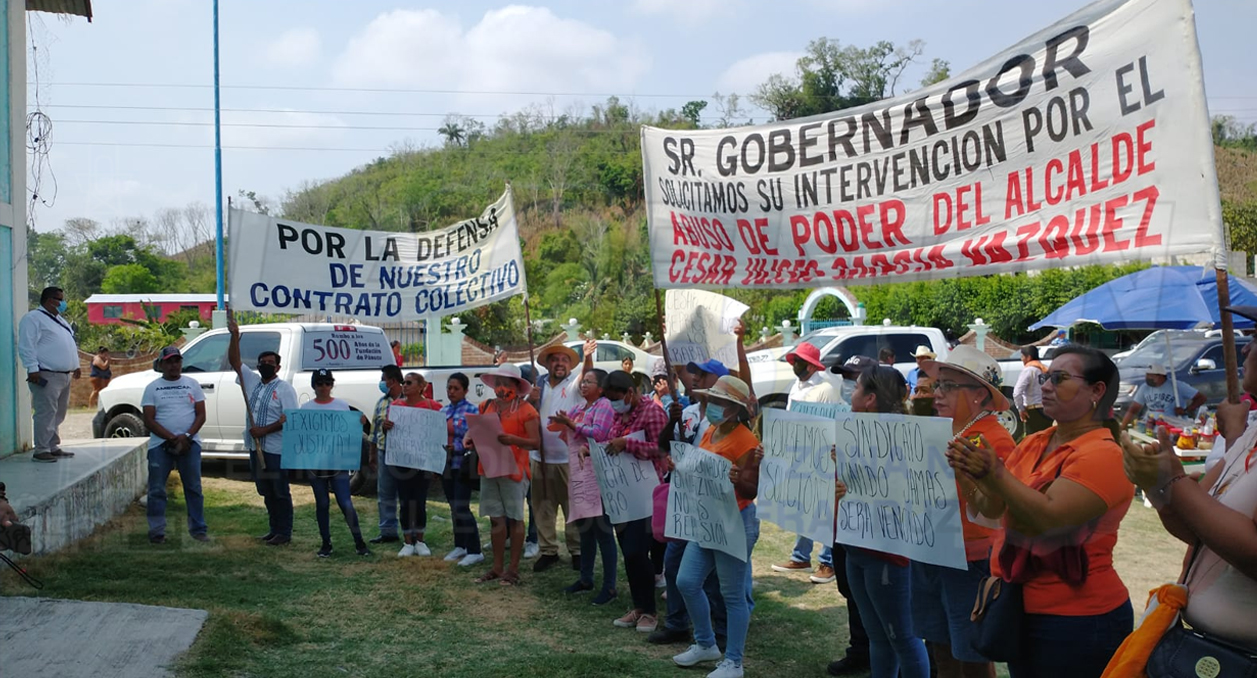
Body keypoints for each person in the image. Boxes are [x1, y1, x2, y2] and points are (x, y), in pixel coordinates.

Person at [948, 346, 1134, 678]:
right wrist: (968, 474)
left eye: (1058, 379)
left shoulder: (1104, 454)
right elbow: (994, 510)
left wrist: (996, 474)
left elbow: (1050, 518)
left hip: (1079, 619)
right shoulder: (1036, 442)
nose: (1044, 386)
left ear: (1097, 391)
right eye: (1046, 377)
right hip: (1023, 606)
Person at [1115, 304, 1257, 671]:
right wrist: (1160, 488)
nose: (1244, 348)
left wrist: (1175, 480)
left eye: (1256, 339)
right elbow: (1196, 531)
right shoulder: (1250, 432)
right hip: (1202, 648)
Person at [915, 346, 1017, 678]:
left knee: (970, 655)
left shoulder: (994, 441)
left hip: (970, 560)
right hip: (930, 553)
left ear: (978, 396)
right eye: (937, 384)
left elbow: (999, 510)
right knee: (941, 647)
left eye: (947, 385)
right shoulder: (937, 431)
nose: (936, 393)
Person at [836, 364, 929, 678]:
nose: (852, 392)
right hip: (857, 548)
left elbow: (902, 494)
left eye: (858, 387)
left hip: (888, 556)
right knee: (878, 636)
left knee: (902, 636)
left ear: (870, 399)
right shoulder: (853, 436)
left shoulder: (903, 439)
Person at [671, 376, 763, 678]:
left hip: (735, 521)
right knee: (686, 581)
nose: (712, 405)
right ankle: (706, 644)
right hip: (708, 518)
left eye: (720, 401)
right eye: (712, 399)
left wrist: (740, 479)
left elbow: (752, 490)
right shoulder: (712, 429)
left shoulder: (747, 441)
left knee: (733, 595)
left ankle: (734, 661)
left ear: (734, 409)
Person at [826, 355, 881, 677]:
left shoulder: (892, 428)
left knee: (880, 599)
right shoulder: (843, 420)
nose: (849, 386)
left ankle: (880, 652)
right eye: (846, 377)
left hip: (874, 532)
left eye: (855, 379)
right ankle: (860, 649)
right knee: (851, 592)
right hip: (842, 524)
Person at [774, 342, 846, 585]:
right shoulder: (797, 386)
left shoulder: (826, 388)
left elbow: (824, 425)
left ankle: (827, 561)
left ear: (810, 364)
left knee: (826, 508)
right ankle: (801, 556)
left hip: (822, 453)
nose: (794, 364)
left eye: (799, 361)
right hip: (800, 452)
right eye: (794, 360)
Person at [603, 370, 668, 633]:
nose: (613, 404)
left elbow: (663, 448)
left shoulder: (653, 413)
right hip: (624, 493)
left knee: (637, 551)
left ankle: (649, 611)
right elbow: (612, 441)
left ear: (630, 392)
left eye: (616, 398)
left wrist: (627, 444)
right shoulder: (619, 414)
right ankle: (638, 606)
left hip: (648, 492)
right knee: (629, 553)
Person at [227, 310, 298, 546]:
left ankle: (284, 532)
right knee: (265, 490)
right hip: (255, 448)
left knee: (279, 490)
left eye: (271, 363)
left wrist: (263, 431)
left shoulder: (284, 388)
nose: (266, 365)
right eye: (263, 362)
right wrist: (234, 336)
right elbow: (235, 362)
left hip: (275, 449)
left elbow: (288, 418)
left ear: (278, 367)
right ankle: (273, 528)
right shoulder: (252, 382)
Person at [466, 363, 540, 587]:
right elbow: (475, 431)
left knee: (515, 518)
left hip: (515, 471)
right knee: (496, 518)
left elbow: (536, 442)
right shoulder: (485, 405)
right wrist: (469, 438)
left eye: (506, 384)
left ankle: (513, 569)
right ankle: (497, 567)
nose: (501, 388)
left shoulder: (527, 411)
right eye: (498, 383)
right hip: (489, 468)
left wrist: (514, 441)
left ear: (517, 386)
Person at [550, 368, 620, 605]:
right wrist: (560, 423)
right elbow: (570, 428)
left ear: (601, 388)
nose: (583, 385)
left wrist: (570, 423)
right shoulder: (579, 408)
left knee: (602, 531)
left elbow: (599, 434)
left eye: (589, 382)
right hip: (579, 472)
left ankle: (610, 586)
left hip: (597, 474)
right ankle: (586, 578)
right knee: (585, 529)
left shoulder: (604, 406)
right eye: (583, 381)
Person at [528, 339, 594, 572]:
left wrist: (587, 356)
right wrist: (530, 399)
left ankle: (576, 550)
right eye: (554, 359)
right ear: (546, 364)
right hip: (540, 457)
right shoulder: (538, 385)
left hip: (569, 458)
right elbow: (527, 412)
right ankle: (548, 550)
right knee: (543, 506)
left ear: (569, 365)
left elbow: (587, 372)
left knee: (572, 506)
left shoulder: (575, 384)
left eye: (564, 360)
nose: (559, 363)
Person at [299, 369, 370, 558]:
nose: (324, 387)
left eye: (327, 383)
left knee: (345, 502)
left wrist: (360, 422)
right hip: (316, 464)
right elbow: (301, 436)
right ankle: (326, 543)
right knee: (322, 503)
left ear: (332, 385)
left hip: (338, 462)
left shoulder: (341, 405)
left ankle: (359, 542)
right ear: (314, 385)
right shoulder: (306, 409)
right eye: (320, 383)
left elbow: (349, 431)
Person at [141, 346, 208, 544]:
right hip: (160, 445)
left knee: (194, 488)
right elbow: (149, 419)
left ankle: (198, 529)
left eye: (177, 361)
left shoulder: (192, 384)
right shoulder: (152, 388)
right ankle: (157, 532)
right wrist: (172, 438)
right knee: (156, 490)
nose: (174, 365)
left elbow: (201, 414)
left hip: (190, 443)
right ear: (162, 364)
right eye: (169, 361)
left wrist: (187, 437)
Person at [17, 286, 81, 463]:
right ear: (48, 300)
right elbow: (26, 345)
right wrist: (32, 368)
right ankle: (41, 450)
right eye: (58, 299)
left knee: (58, 413)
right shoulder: (33, 318)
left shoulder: (60, 320)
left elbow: (68, 343)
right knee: (46, 412)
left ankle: (52, 445)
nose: (62, 302)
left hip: (64, 375)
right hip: (45, 374)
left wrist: (75, 365)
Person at [391, 372, 442, 557]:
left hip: (423, 462)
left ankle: (420, 540)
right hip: (401, 462)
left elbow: (439, 434)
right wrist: (386, 427)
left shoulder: (433, 407)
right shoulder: (396, 406)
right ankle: (407, 541)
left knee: (420, 502)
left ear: (421, 386)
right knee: (404, 502)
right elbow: (391, 433)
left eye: (409, 382)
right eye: (404, 382)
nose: (405, 385)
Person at [441, 373, 484, 567]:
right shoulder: (443, 411)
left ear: (465, 390)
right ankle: (460, 545)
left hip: (464, 466)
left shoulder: (472, 412)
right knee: (453, 507)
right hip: (446, 466)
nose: (451, 392)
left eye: (456, 388)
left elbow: (476, 440)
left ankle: (475, 550)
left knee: (461, 506)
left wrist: (457, 447)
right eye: (449, 388)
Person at [369, 365, 404, 545]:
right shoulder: (381, 403)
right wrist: (372, 453)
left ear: (392, 381)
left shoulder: (410, 401)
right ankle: (388, 531)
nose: (381, 383)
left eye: (383, 379)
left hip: (406, 454)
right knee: (385, 493)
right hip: (384, 451)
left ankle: (410, 532)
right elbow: (374, 430)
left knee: (406, 494)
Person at [1121, 364, 1207, 427]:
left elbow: (1201, 398)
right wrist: (1123, 427)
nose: (1147, 378)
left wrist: (1186, 410)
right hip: (1150, 424)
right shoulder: (1145, 387)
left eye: (1151, 375)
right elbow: (1132, 410)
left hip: (1172, 424)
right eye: (1147, 375)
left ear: (1160, 376)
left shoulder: (1177, 386)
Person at [1013, 346, 1051, 437]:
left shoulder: (1028, 370)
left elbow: (1017, 393)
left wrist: (1021, 409)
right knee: (1047, 439)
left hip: (1034, 411)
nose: (1022, 359)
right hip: (1048, 410)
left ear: (1028, 357)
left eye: (1022, 356)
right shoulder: (1045, 370)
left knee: (1033, 441)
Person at [907, 346, 937, 417]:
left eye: (922, 357)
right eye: (918, 358)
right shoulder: (911, 373)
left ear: (929, 359)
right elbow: (907, 388)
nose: (920, 360)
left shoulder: (935, 373)